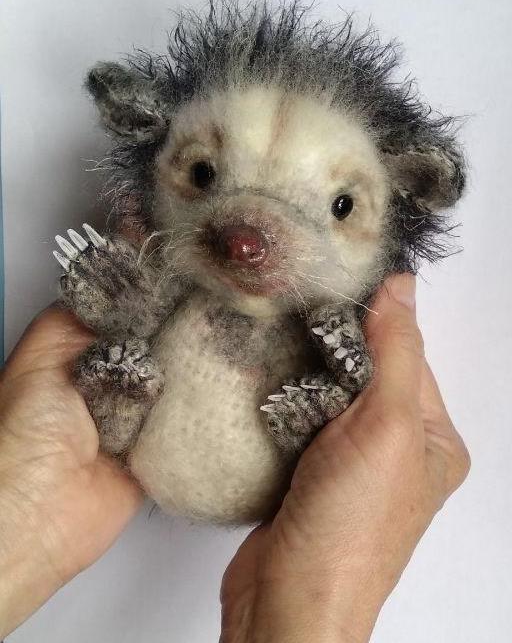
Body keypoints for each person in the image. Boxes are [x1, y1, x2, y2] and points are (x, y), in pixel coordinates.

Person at [0, 274, 469, 642]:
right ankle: (122, 398)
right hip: (137, 434)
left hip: (261, 458)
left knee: (330, 394)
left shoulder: (325, 300)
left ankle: (305, 420)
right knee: (133, 327)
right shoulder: (191, 272)